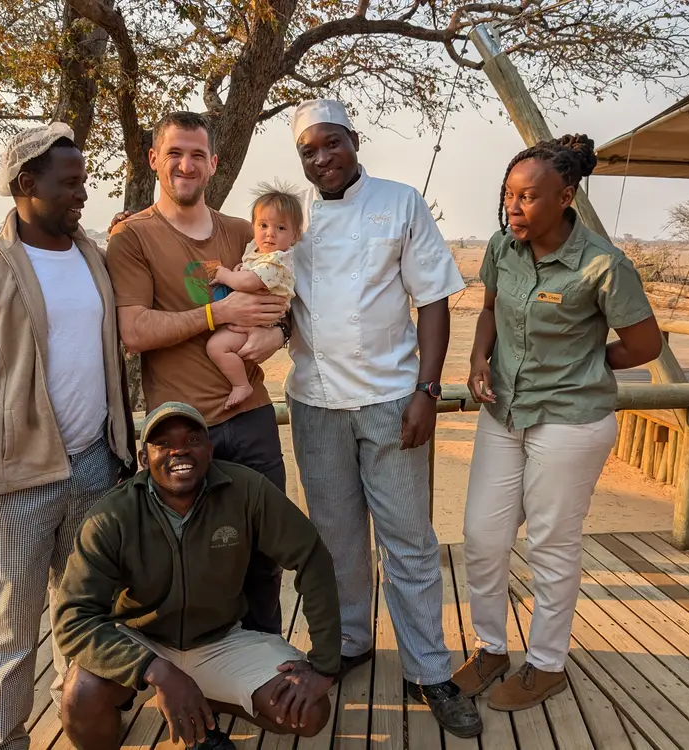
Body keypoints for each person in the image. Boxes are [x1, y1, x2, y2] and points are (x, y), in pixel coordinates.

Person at [279, 99, 481, 736]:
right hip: (313, 403)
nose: (321, 159)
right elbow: (240, 283)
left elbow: (434, 299)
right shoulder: (291, 217)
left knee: (410, 541)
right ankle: (351, 643)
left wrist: (428, 388)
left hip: (393, 401)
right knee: (336, 541)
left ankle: (428, 670)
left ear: (353, 140)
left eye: (331, 144)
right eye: (309, 151)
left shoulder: (400, 203)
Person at [0, 121, 136, 750]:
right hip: (19, 477)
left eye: (85, 181)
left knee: (83, 615)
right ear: (26, 184)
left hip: (96, 465)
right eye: (70, 183)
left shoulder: (92, 257)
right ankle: (0, 740)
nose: (83, 193)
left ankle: (77, 721)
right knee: (10, 629)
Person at [454, 134, 662, 711]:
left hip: (569, 420)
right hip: (504, 411)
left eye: (528, 197)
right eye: (508, 195)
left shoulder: (602, 265)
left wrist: (588, 364)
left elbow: (645, 344)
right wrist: (477, 362)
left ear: (566, 196)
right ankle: (491, 648)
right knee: (483, 536)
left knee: (551, 542)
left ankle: (546, 664)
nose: (513, 207)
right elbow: (491, 311)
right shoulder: (502, 246)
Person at [54, 402, 342, 749]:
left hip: (219, 639)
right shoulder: (113, 515)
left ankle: (200, 700)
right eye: (163, 443)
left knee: (309, 711)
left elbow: (311, 556)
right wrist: (156, 670)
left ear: (209, 449)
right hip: (142, 639)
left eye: (192, 439)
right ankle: (167, 695)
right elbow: (74, 619)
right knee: (80, 698)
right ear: (144, 458)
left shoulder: (246, 490)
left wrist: (324, 666)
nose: (179, 450)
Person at [105, 111, 291, 638]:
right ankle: (196, 680)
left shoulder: (244, 232)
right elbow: (135, 331)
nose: (185, 165)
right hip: (181, 427)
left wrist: (278, 336)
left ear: (213, 164)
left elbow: (289, 302)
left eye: (196, 155)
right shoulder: (133, 238)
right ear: (154, 161)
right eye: (174, 153)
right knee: (188, 558)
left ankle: (265, 662)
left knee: (262, 553)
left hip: (252, 418)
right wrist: (217, 314)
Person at [203, 184, 302, 408]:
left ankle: (240, 385)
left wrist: (225, 274)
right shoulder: (258, 251)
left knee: (216, 347)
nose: (270, 233)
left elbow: (247, 282)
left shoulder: (277, 261)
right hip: (254, 319)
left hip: (262, 325)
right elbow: (249, 273)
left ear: (295, 235)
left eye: (281, 228)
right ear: (253, 226)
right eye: (263, 225)